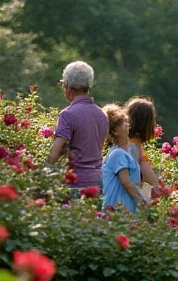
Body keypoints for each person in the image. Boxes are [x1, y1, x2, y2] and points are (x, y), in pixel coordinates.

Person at [46, 61, 109, 190]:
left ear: (68, 86)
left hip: (76, 182)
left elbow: (55, 152)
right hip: (99, 181)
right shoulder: (101, 115)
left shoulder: (67, 115)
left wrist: (43, 173)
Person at [101, 104, 150, 213]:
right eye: (124, 122)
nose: (128, 124)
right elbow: (127, 183)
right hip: (119, 208)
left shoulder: (125, 152)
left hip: (125, 208)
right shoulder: (117, 154)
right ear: (115, 131)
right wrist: (143, 202)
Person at [125, 97, 163, 193]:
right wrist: (157, 186)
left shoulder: (128, 139)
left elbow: (142, 163)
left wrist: (156, 184)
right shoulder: (132, 144)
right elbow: (142, 166)